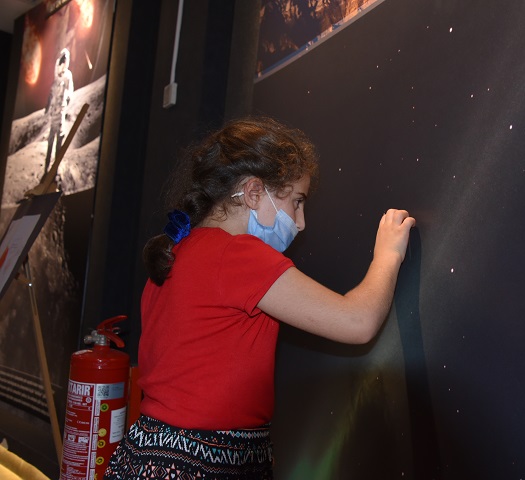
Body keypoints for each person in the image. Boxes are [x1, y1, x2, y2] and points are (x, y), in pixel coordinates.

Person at [104, 116, 415, 479]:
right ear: (253, 192)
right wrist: (387, 256)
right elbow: (357, 322)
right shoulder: (238, 255)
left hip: (149, 453)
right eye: (296, 202)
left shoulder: (177, 253)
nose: (301, 222)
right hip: (198, 462)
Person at [45, 48, 74, 173]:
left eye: (65, 60)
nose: (64, 62)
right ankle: (47, 166)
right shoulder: (57, 75)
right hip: (54, 112)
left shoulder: (68, 76)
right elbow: (52, 91)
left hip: (60, 111)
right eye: (63, 60)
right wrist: (49, 106)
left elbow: (70, 92)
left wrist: (65, 103)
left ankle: (55, 168)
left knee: (59, 138)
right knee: (51, 139)